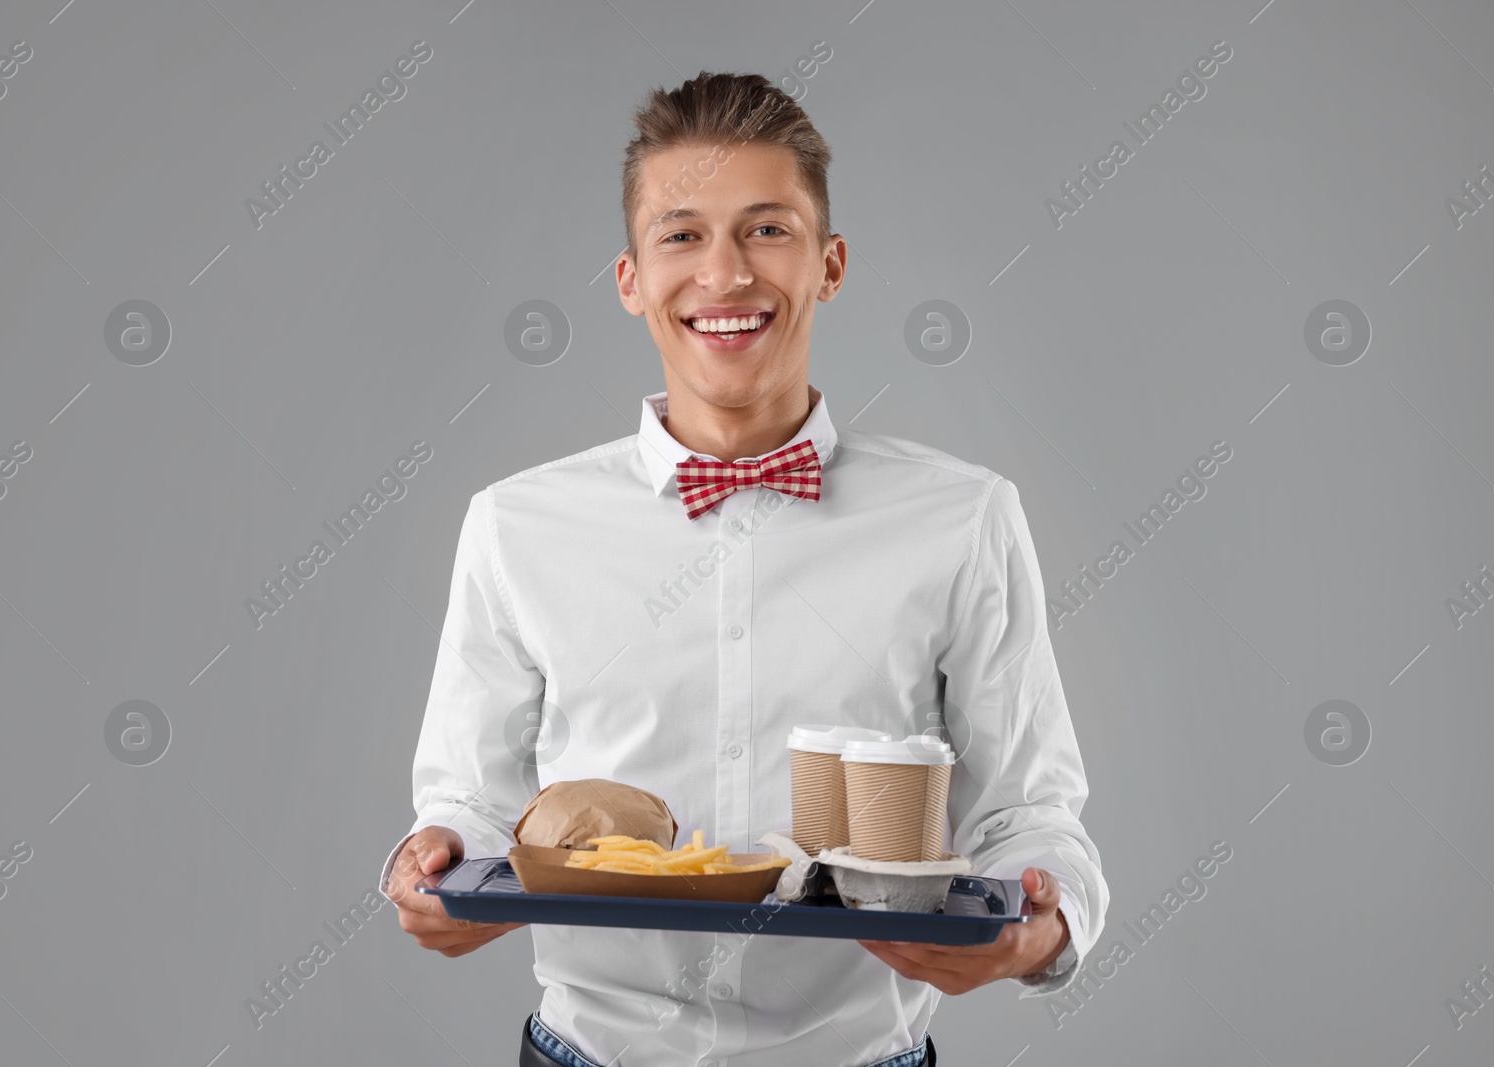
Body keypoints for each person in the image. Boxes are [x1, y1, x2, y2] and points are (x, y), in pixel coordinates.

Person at [380, 71, 1108, 1067]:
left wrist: (1043, 926)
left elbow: (1031, 813)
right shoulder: (515, 525)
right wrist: (439, 865)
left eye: (767, 229)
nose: (723, 274)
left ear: (829, 263)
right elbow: (470, 803)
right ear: (631, 277)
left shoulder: (963, 516)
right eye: (681, 235)